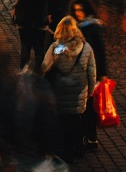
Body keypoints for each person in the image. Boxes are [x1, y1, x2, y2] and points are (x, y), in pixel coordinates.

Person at [41, 16, 99, 161]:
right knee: (76, 121)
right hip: (79, 92)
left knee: (62, 122)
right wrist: (90, 91)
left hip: (60, 91)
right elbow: (92, 72)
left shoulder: (56, 48)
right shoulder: (86, 47)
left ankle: (65, 152)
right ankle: (77, 148)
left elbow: (43, 67)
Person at [69, 0, 109, 147]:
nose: (78, 13)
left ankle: (90, 137)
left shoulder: (93, 27)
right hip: (79, 72)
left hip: (91, 73)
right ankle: (86, 135)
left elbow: (100, 52)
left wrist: (103, 74)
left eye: (81, 10)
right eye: (76, 10)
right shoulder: (75, 27)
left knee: (89, 107)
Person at [13, 0, 53, 66]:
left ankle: (23, 70)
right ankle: (40, 71)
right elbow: (50, 2)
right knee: (39, 48)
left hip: (24, 22)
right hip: (40, 22)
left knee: (25, 47)